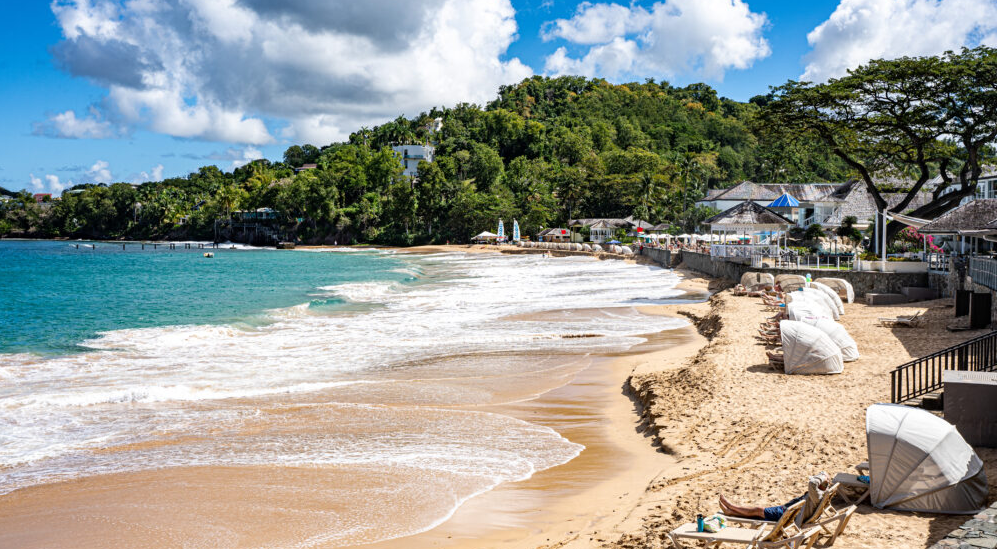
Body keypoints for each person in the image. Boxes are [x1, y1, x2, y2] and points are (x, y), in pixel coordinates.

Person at [718, 472, 830, 523]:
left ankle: (731, 507)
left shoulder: (817, 494)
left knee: (758, 510)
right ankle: (731, 512)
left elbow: (812, 483)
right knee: (759, 514)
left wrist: (823, 477)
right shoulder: (821, 493)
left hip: (788, 515)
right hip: (789, 511)